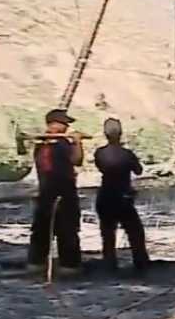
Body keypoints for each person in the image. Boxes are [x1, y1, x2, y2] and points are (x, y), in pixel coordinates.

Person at [26, 108, 85, 275]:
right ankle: (69, 266)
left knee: (41, 231)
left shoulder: (40, 144)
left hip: (45, 192)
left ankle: (37, 264)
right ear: (54, 124)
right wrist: (77, 143)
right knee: (67, 230)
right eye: (64, 123)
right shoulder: (61, 144)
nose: (67, 127)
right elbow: (77, 160)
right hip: (64, 193)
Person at [93, 117, 150, 274]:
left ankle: (109, 265)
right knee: (135, 232)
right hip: (123, 196)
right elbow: (138, 170)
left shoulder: (100, 153)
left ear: (105, 134)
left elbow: (100, 166)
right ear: (121, 134)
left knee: (108, 233)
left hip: (105, 195)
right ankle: (140, 263)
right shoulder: (127, 154)